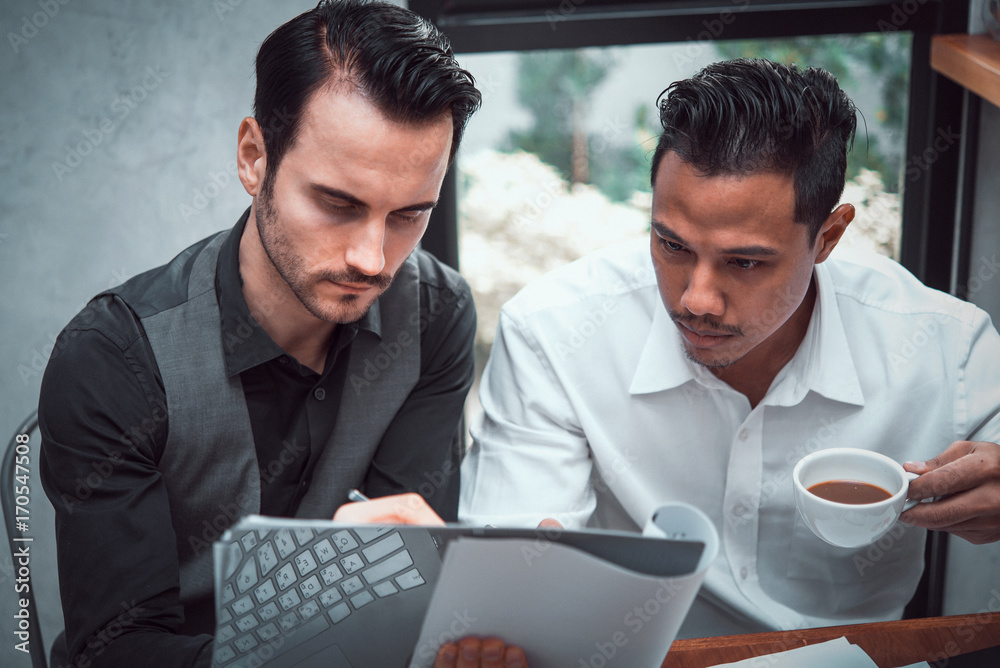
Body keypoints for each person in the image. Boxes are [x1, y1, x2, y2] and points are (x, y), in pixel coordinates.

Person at [39, 2, 522, 666]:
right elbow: (120, 652)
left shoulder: (437, 316)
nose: (372, 259)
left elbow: (402, 592)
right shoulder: (113, 358)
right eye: (337, 204)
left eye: (409, 215)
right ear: (253, 158)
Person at [458, 59, 1000, 636]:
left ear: (830, 237)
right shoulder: (554, 333)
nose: (697, 299)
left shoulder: (946, 349)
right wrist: (520, 579)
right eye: (672, 245)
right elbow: (506, 580)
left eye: (744, 262)